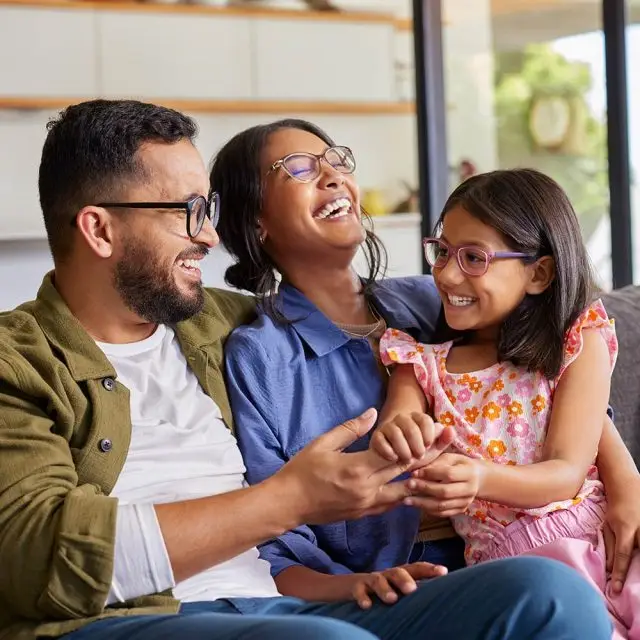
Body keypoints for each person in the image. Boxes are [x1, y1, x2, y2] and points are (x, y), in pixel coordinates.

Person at [0, 99, 614, 640]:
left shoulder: (211, 322)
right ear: (99, 229)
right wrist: (290, 501)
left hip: (281, 606)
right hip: (137, 615)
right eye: (186, 212)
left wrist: (625, 479)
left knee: (550, 593)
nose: (210, 237)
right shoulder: (20, 360)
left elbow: (544, 353)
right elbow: (36, 558)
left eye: (209, 209)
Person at [213, 118, 640, 609]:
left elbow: (550, 389)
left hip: (556, 530)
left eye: (335, 160)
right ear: (255, 220)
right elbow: (271, 536)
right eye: (300, 169)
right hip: (416, 579)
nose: (332, 176)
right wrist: (347, 589)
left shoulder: (432, 296)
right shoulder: (262, 355)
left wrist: (628, 484)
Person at [372, 168, 639, 638]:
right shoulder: (419, 363)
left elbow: (566, 471)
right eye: (442, 252)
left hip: (604, 539)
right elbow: (400, 424)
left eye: (474, 257)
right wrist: (400, 435)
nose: (447, 273)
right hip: (514, 571)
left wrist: (480, 478)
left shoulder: (576, 343)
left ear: (539, 273)